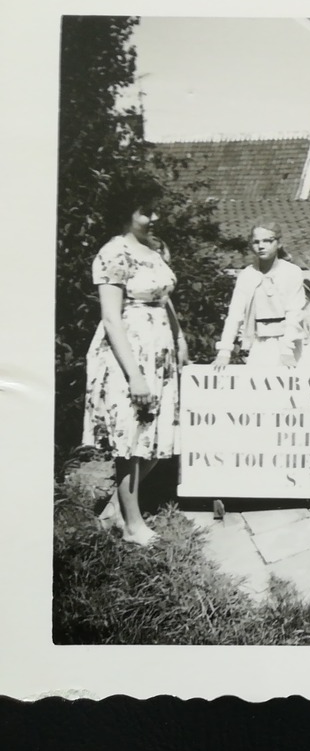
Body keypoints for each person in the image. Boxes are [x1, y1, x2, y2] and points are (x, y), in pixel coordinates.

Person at [83, 198, 192, 546]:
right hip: (128, 354)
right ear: (125, 213)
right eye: (145, 211)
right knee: (131, 439)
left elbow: (164, 296)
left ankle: (115, 510)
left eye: (156, 210)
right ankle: (132, 525)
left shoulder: (152, 250)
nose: (155, 217)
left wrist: (179, 336)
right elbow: (112, 318)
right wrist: (135, 376)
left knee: (155, 437)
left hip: (159, 352)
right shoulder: (114, 253)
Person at [213, 222, 310, 370]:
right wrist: (224, 351)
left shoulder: (292, 272)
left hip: (290, 343)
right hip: (261, 344)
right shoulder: (247, 275)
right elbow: (235, 314)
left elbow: (295, 312)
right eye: (256, 242)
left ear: (279, 243)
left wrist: (287, 349)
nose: (261, 246)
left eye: (267, 241)